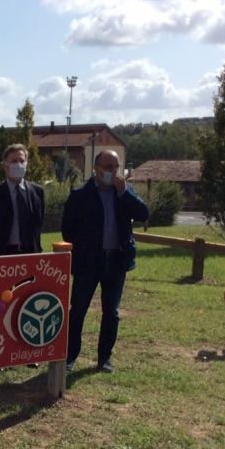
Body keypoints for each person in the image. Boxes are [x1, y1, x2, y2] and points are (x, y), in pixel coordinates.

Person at [61, 149, 149, 373]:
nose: (113, 172)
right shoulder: (80, 195)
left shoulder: (125, 193)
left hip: (116, 262)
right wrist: (86, 247)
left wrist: (124, 194)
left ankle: (104, 359)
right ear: (96, 169)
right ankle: (69, 357)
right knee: (78, 310)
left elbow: (144, 213)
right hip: (88, 263)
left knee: (112, 312)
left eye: (116, 167)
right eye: (108, 167)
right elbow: (67, 231)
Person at [0, 143, 45, 256]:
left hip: (30, 255)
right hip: (3, 256)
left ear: (26, 163)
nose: (18, 164)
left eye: (21, 161)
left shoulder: (37, 192)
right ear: (5, 165)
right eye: (14, 161)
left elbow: (38, 223)